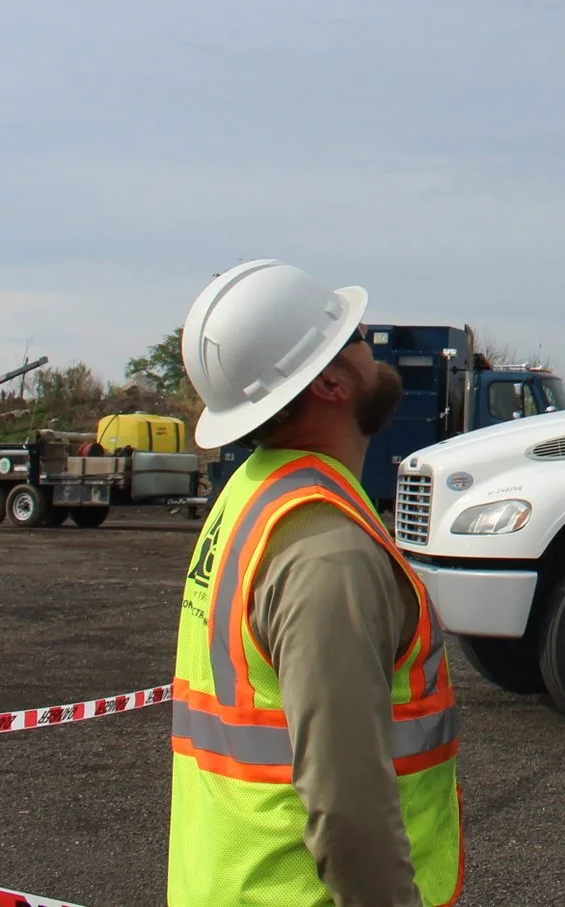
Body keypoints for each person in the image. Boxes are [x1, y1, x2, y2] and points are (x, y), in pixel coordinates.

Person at [167, 260, 463, 907]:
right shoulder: (327, 551)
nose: (371, 343)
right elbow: (347, 809)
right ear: (330, 381)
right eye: (354, 334)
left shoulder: (249, 494)